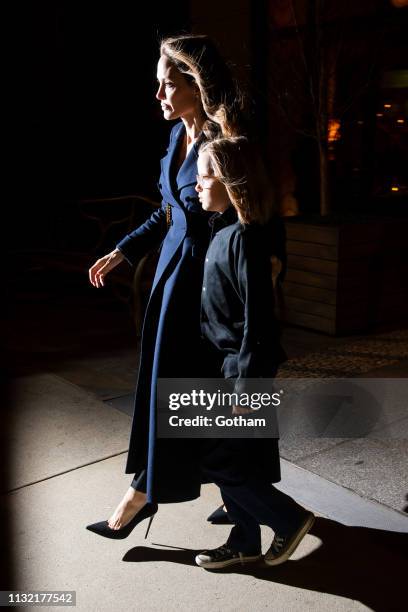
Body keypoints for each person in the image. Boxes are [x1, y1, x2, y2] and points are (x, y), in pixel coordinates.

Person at [86, 34, 247, 539]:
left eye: (167, 85)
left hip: (204, 289)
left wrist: (241, 287)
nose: (158, 95)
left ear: (196, 88)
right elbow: (168, 209)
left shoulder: (226, 140)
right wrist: (124, 249)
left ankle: (141, 493)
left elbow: (247, 217)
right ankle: (238, 495)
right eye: (157, 85)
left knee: (192, 394)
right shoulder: (177, 136)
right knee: (195, 394)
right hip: (171, 282)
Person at [194, 136, 315, 568]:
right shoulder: (221, 228)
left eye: (206, 176)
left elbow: (259, 321)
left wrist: (246, 385)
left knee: (218, 458)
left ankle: (287, 518)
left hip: (241, 373)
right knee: (230, 456)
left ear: (232, 182)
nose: (197, 184)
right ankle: (244, 539)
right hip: (222, 369)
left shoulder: (246, 238)